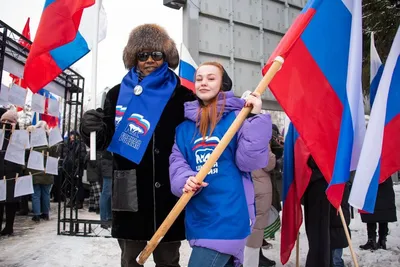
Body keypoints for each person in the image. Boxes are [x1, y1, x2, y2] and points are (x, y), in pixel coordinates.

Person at [80, 24, 195, 266]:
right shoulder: (116, 94)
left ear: (166, 57)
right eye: (143, 55)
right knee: (130, 261)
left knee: (169, 261)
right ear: (134, 58)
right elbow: (103, 141)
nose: (150, 60)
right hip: (130, 190)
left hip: (168, 191)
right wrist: (89, 128)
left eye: (156, 54)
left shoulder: (182, 95)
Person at [169, 61, 272, 267]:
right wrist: (185, 180)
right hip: (200, 217)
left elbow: (250, 161)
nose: (203, 83)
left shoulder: (237, 118)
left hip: (229, 216)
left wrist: (254, 118)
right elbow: (177, 164)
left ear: (222, 84)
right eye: (199, 79)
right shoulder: (183, 129)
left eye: (211, 78)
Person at [244, 144, 276, 267]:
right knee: (255, 232)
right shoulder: (259, 137)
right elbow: (269, 164)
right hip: (259, 188)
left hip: (240, 186)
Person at [26, 121, 60, 222]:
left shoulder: (32, 140)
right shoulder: (51, 141)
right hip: (47, 170)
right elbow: (55, 154)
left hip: (34, 170)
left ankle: (36, 214)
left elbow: (27, 153)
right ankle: (45, 213)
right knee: (46, 193)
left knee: (35, 193)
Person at [0, 110, 24, 235]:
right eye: (3, 121)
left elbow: (24, 152)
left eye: (9, 121)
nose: (6, 123)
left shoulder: (19, 136)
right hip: (0, 172)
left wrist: (15, 133)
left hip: (13, 173)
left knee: (11, 202)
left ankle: (9, 227)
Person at [359, 177, 397, 250]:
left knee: (371, 212)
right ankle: (382, 240)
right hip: (385, 185)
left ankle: (372, 240)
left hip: (371, 183)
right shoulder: (386, 167)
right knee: (383, 213)